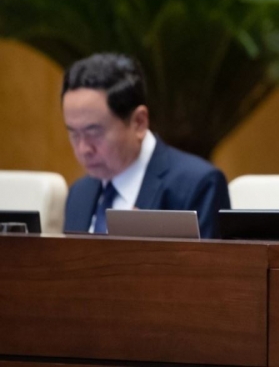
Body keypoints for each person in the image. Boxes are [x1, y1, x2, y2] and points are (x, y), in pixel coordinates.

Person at [62, 53, 230, 238]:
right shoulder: (79, 194)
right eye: (74, 134)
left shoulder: (198, 186)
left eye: (94, 133)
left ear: (139, 122)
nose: (83, 149)